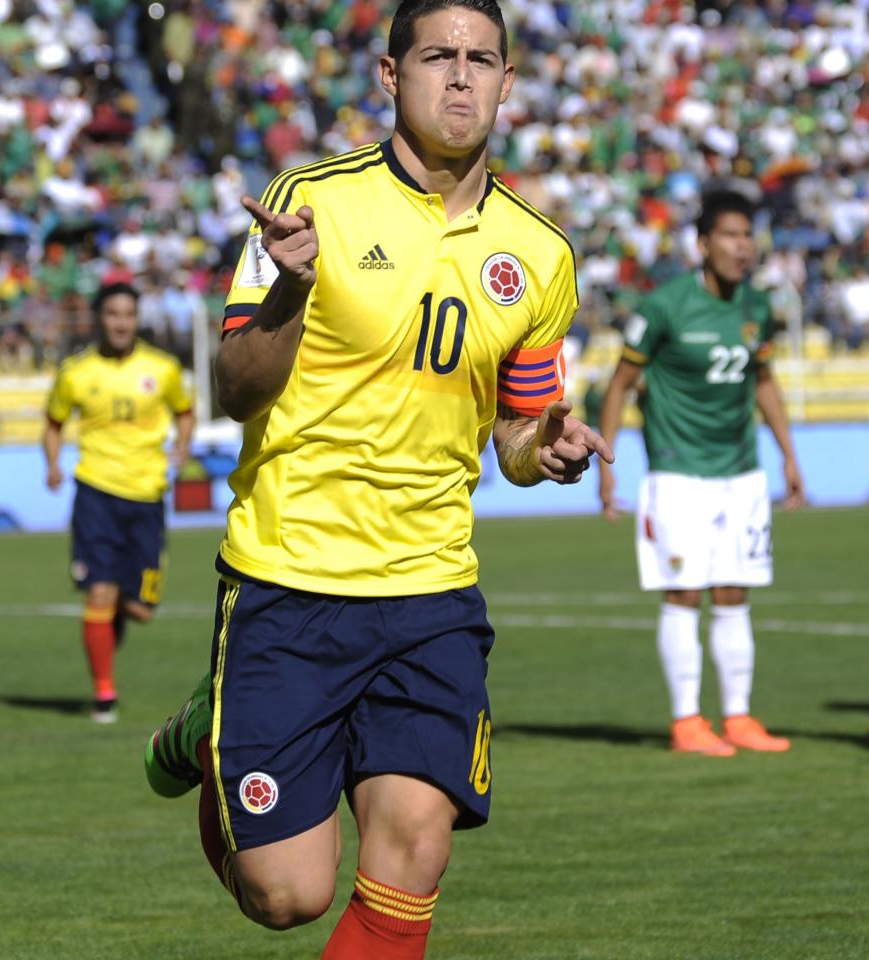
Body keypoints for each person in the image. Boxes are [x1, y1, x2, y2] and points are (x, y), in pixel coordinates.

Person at [139, 3, 613, 957]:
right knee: (288, 895)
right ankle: (207, 728)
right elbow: (235, 390)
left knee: (414, 850)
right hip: (291, 579)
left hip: (432, 591)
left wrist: (546, 450)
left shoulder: (541, 253)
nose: (462, 77)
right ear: (391, 76)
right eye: (438, 56)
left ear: (509, 83)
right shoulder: (311, 201)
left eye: (482, 60)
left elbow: (517, 435)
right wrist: (290, 289)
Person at [595, 189, 807, 757]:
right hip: (678, 475)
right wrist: (607, 462)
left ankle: (738, 717)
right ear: (703, 243)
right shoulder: (665, 306)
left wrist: (788, 454)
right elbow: (619, 384)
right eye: (732, 236)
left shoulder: (757, 307)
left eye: (749, 237)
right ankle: (687, 721)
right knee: (685, 593)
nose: (743, 248)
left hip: (741, 473)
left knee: (734, 592)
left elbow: (762, 380)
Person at [43, 282, 194, 723]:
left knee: (142, 609)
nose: (121, 322)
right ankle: (104, 694)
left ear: (137, 318)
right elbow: (53, 423)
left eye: (128, 314)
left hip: (147, 497)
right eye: (112, 314)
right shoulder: (75, 372)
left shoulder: (162, 369)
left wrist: (182, 448)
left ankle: (115, 619)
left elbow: (184, 412)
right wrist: (52, 464)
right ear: (99, 319)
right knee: (100, 592)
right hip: (96, 494)